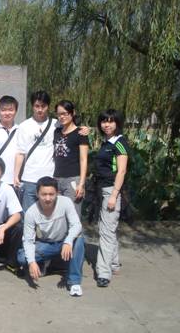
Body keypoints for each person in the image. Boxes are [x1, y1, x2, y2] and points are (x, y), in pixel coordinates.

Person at [17, 176, 85, 297]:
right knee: (22, 258)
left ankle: (74, 282)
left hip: (64, 242)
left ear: (57, 193)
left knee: (79, 238)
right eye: (44, 194)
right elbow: (28, 241)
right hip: (46, 244)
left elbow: (76, 225)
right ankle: (48, 263)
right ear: (37, 194)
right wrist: (32, 262)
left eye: (51, 194)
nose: (47, 198)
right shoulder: (31, 213)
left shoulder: (65, 202)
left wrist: (68, 241)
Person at [94, 109, 129, 288]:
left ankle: (104, 273)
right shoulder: (106, 142)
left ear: (117, 123)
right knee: (107, 229)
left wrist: (114, 195)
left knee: (106, 232)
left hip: (111, 191)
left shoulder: (120, 143)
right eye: (104, 121)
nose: (107, 125)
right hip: (101, 189)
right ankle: (114, 264)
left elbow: (121, 171)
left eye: (111, 121)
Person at [13, 90, 57, 211]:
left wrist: (83, 130)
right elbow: (20, 153)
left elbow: (71, 130)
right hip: (29, 178)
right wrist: (16, 175)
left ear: (48, 106)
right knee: (28, 215)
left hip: (49, 177)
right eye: (37, 106)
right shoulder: (24, 126)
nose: (40, 110)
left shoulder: (56, 125)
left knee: (49, 215)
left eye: (43, 106)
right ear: (32, 106)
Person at [53, 100, 89, 217]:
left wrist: (81, 184)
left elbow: (84, 160)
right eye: (59, 114)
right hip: (57, 179)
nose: (62, 117)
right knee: (59, 217)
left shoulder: (80, 133)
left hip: (73, 180)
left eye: (65, 113)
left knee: (73, 216)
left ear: (72, 113)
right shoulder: (56, 132)